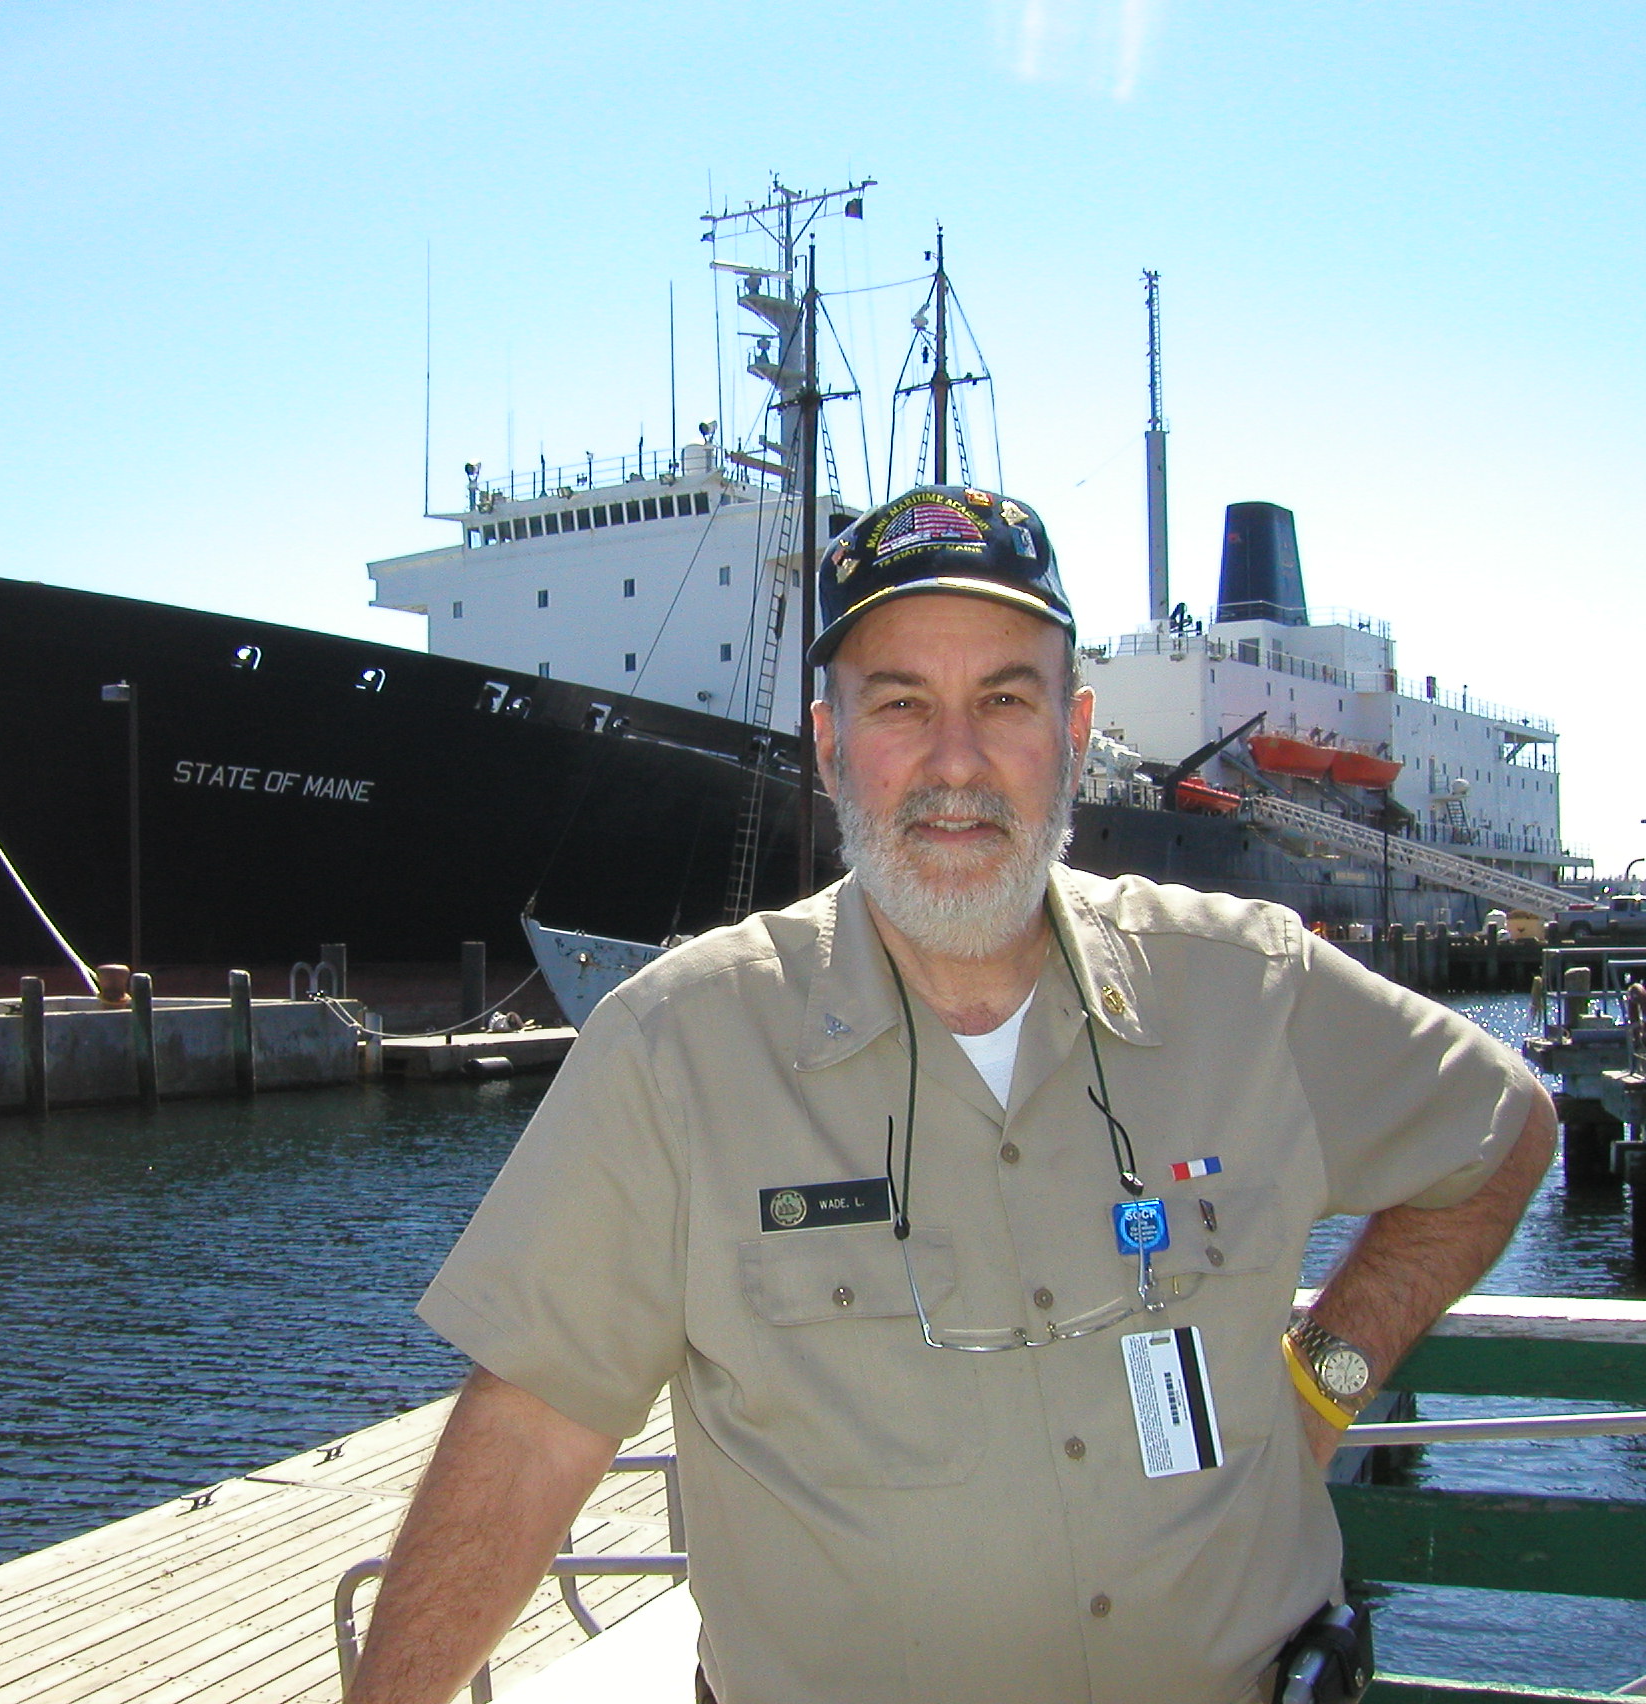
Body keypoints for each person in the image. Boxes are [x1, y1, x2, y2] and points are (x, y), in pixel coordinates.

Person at [351, 486, 1555, 1704]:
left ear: (1075, 732)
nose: (955, 762)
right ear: (827, 743)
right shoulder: (677, 1052)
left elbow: (1502, 1135)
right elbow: (528, 1433)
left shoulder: (1251, 990)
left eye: (1004, 699)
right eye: (900, 704)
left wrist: (1323, 1385)